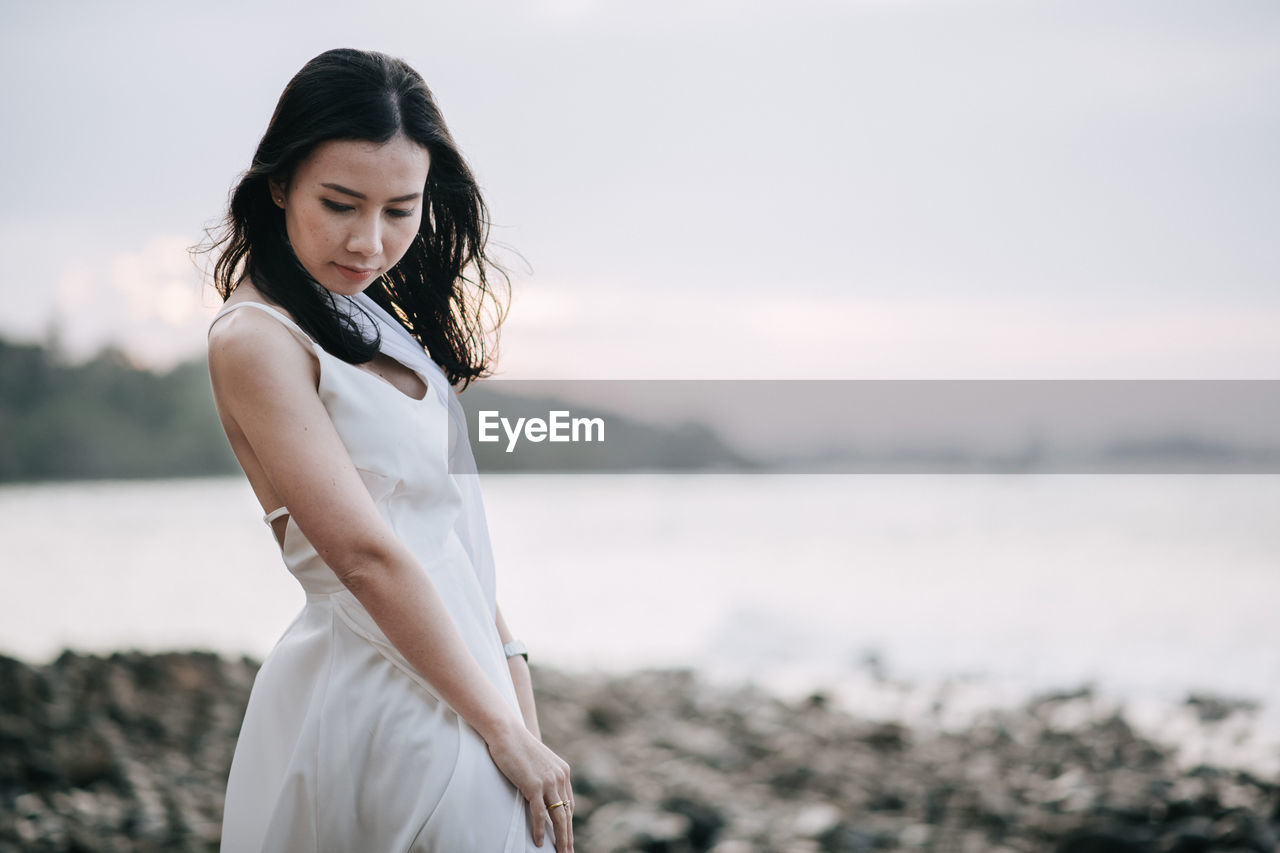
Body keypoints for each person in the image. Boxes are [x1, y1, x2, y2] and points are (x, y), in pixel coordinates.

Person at [199, 48, 574, 852]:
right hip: (380, 686)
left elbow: (452, 534)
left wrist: (516, 692)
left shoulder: (374, 322)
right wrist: (498, 729)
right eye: (341, 203)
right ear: (278, 183)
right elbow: (367, 555)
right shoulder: (255, 339)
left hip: (463, 679)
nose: (370, 242)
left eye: (400, 210)